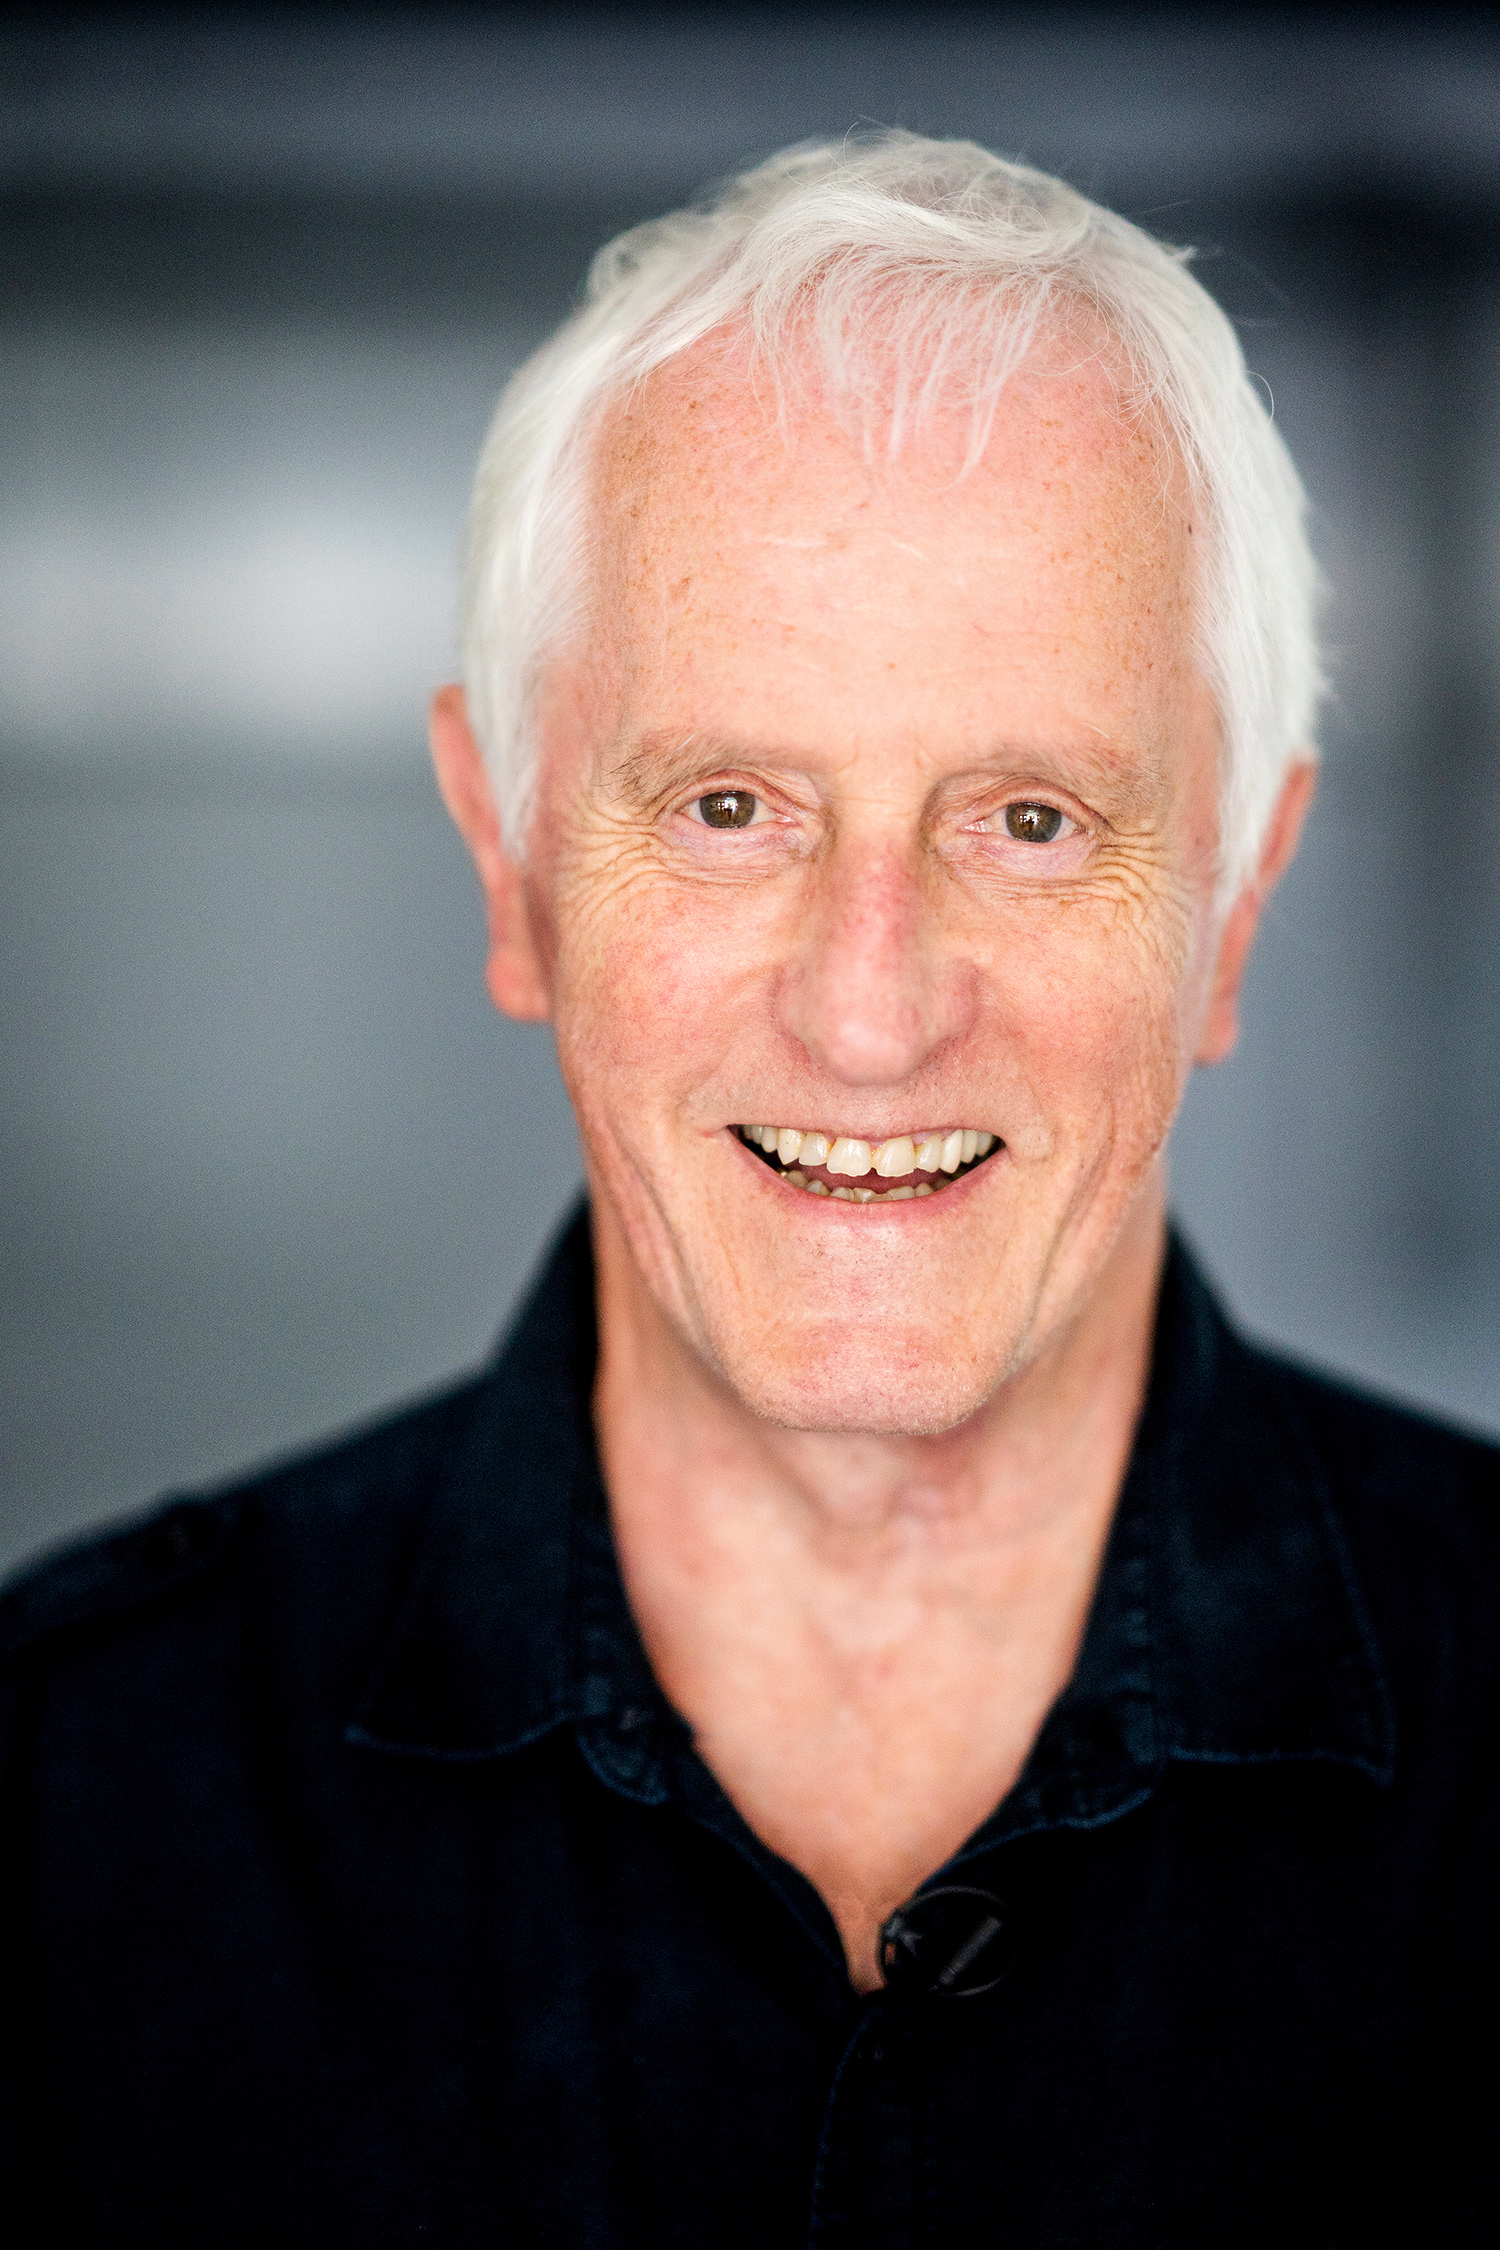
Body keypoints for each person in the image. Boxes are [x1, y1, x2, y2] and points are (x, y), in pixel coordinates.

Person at [2, 134, 1496, 2248]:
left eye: (1035, 821)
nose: (870, 1009)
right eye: (727, 807)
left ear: (1235, 910)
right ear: (510, 866)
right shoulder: (68, 1820)